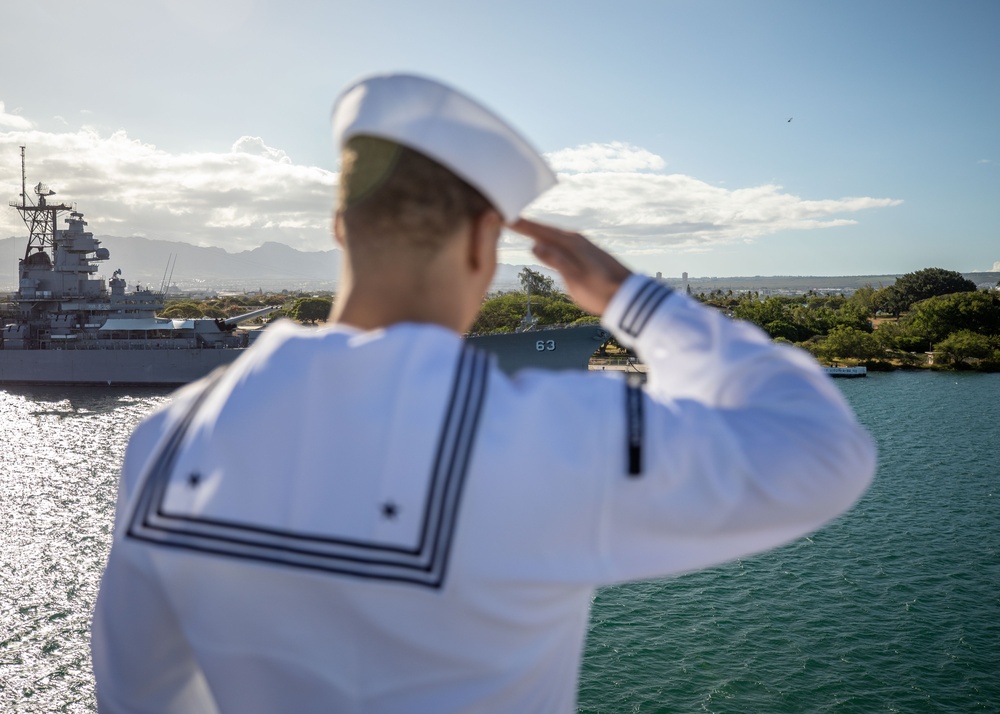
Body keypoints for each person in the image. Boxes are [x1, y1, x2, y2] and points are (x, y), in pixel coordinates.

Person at [91, 73, 876, 713]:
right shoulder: (545, 432)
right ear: (482, 242)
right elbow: (822, 452)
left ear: (340, 228)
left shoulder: (166, 438)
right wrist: (633, 299)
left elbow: (139, 695)